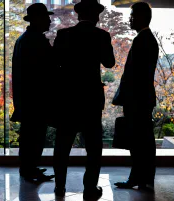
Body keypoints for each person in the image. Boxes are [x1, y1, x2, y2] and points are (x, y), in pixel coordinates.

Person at [52, 0, 115, 199]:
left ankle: (59, 187)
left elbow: (54, 63)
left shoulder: (63, 35)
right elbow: (110, 63)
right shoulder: (101, 36)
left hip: (67, 99)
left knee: (62, 147)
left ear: (79, 16)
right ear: (96, 17)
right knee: (94, 148)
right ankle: (89, 189)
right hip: (91, 99)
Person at [112, 2, 159, 190]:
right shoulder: (147, 38)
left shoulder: (142, 40)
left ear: (140, 17)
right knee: (143, 141)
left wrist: (124, 98)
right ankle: (142, 179)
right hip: (143, 98)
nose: (129, 19)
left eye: (132, 15)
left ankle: (139, 179)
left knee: (140, 143)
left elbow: (133, 75)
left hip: (137, 100)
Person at [11, 3, 55, 182]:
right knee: (34, 136)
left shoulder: (24, 39)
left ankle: (29, 168)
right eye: (46, 17)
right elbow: (46, 68)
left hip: (27, 98)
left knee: (30, 136)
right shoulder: (34, 40)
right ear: (38, 20)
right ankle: (29, 169)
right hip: (36, 98)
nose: (49, 21)